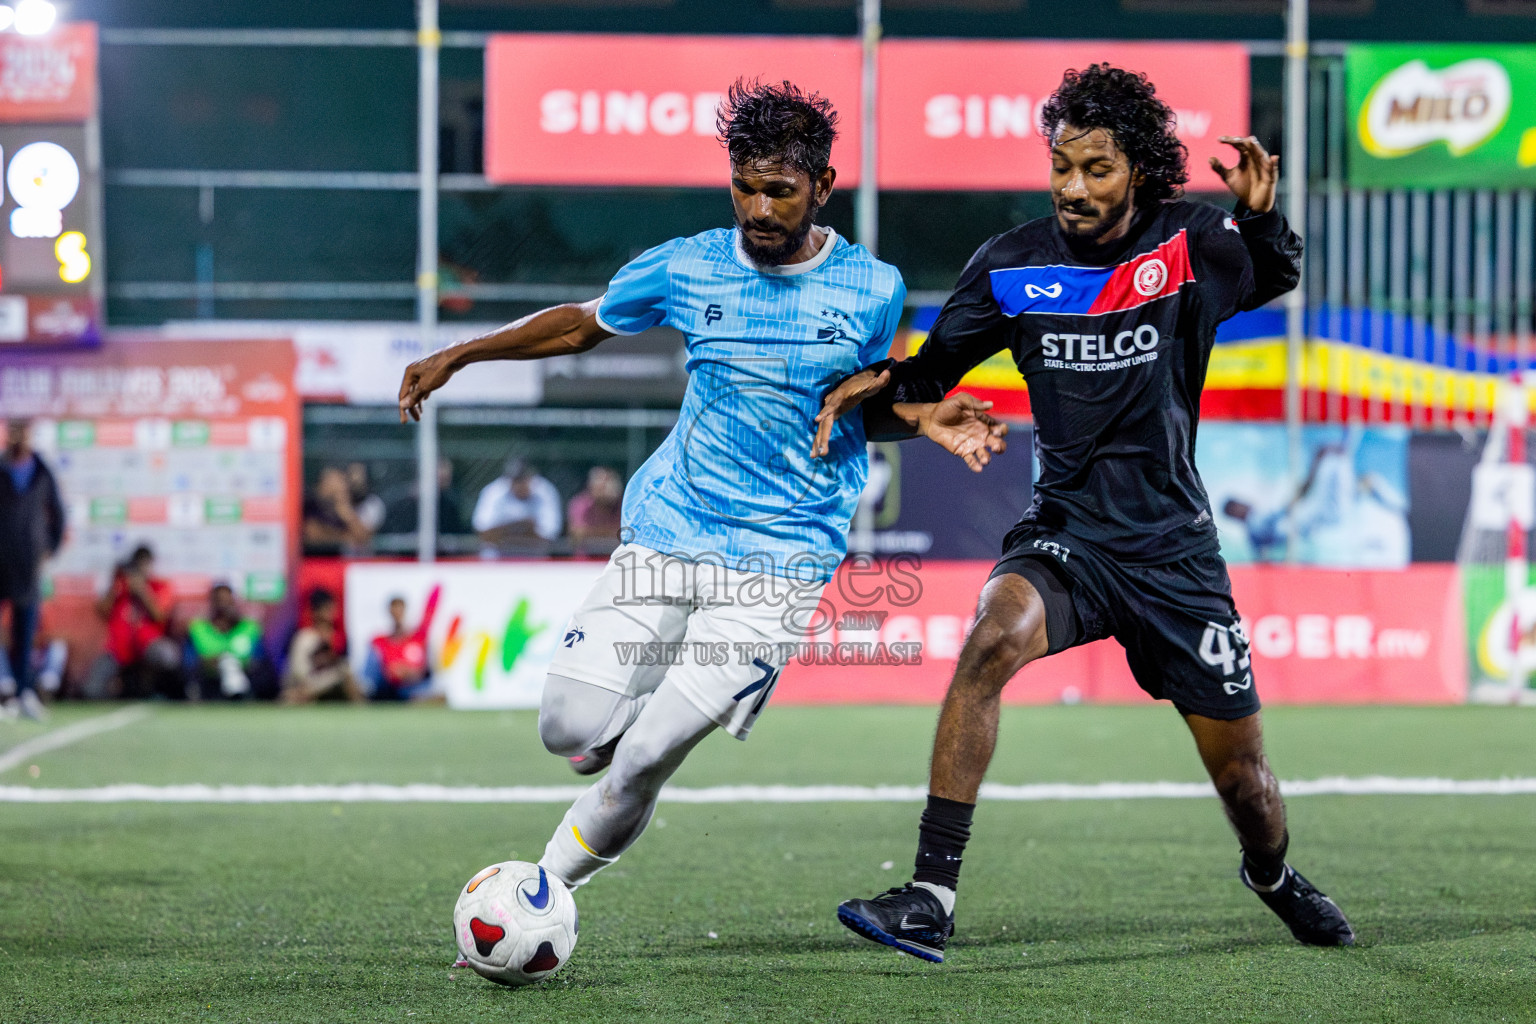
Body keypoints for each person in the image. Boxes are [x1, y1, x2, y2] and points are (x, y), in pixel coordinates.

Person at [398, 80, 1004, 900]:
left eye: (780, 192)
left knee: (648, 754)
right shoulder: (688, 265)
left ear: (822, 188)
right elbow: (582, 323)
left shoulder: (873, 288)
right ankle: (632, 711)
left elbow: (861, 406)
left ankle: (538, 895)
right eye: (744, 185)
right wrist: (462, 353)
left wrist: (924, 416)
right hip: (671, 528)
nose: (758, 207)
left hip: (781, 560)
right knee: (567, 729)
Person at [817, 64, 1354, 960]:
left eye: (1095, 169)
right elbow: (925, 379)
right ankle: (929, 895)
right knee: (991, 638)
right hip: (1067, 536)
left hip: (1176, 554)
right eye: (1061, 166)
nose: (1073, 187)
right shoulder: (1010, 264)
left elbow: (1271, 275)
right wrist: (872, 401)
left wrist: (1262, 217)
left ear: (1137, 170)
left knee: (1248, 791)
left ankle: (1271, 876)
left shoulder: (1190, 243)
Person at [0, 418, 65, 720]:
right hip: (1, 561)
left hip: (28, 565)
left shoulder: (41, 471)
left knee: (24, 633)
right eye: (13, 433)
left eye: (23, 433)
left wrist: (47, 548)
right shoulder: (1, 468)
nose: (18, 439)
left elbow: (58, 514)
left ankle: (24, 692)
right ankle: (5, 693)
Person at [94, 544, 179, 700]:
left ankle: (156, 690)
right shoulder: (120, 588)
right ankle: (122, 692)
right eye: (137, 566)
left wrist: (142, 590)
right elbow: (102, 611)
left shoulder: (159, 586)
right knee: (92, 689)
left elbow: (159, 616)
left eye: (144, 564)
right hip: (119, 650)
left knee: (166, 656)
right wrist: (115, 584)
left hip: (149, 646)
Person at [186, 583, 271, 700]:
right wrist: (208, 661)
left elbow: (260, 659)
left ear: (234, 602)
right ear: (212, 603)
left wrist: (239, 662)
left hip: (245, 680)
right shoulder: (198, 628)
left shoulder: (249, 627)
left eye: (227, 601)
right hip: (209, 681)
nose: (223, 605)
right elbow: (188, 661)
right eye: (219, 601)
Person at [282, 588, 364, 704]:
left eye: (332, 608)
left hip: (335, 686)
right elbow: (299, 673)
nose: (332, 612)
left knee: (346, 675)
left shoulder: (338, 637)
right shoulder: (305, 637)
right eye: (327, 608)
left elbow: (345, 667)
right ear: (316, 611)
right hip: (309, 685)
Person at [471, 459, 563, 556]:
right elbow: (483, 534)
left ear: (531, 477)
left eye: (522, 479)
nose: (518, 484)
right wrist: (520, 526)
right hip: (496, 561)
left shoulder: (546, 491)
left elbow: (549, 537)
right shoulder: (493, 491)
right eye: (515, 480)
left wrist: (504, 533)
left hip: (535, 563)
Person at [364, 590, 441, 701]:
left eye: (399, 609)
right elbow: (372, 671)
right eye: (394, 610)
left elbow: (427, 669)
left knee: (437, 695)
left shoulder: (419, 638)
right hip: (388, 687)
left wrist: (412, 673)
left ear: (405, 610)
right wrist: (390, 672)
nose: (397, 614)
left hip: (414, 686)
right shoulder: (379, 641)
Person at [302, 465, 375, 556]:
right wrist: (345, 537)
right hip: (314, 561)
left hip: (342, 562)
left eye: (341, 482)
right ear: (322, 485)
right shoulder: (310, 504)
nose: (339, 488)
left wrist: (345, 511)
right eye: (333, 482)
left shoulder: (344, 506)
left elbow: (363, 538)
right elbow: (313, 535)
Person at [566, 466, 624, 555]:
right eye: (603, 486)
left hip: (618, 558)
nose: (608, 489)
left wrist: (593, 533)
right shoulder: (581, 503)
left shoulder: (623, 505)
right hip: (586, 560)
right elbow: (577, 535)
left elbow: (628, 535)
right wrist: (610, 533)